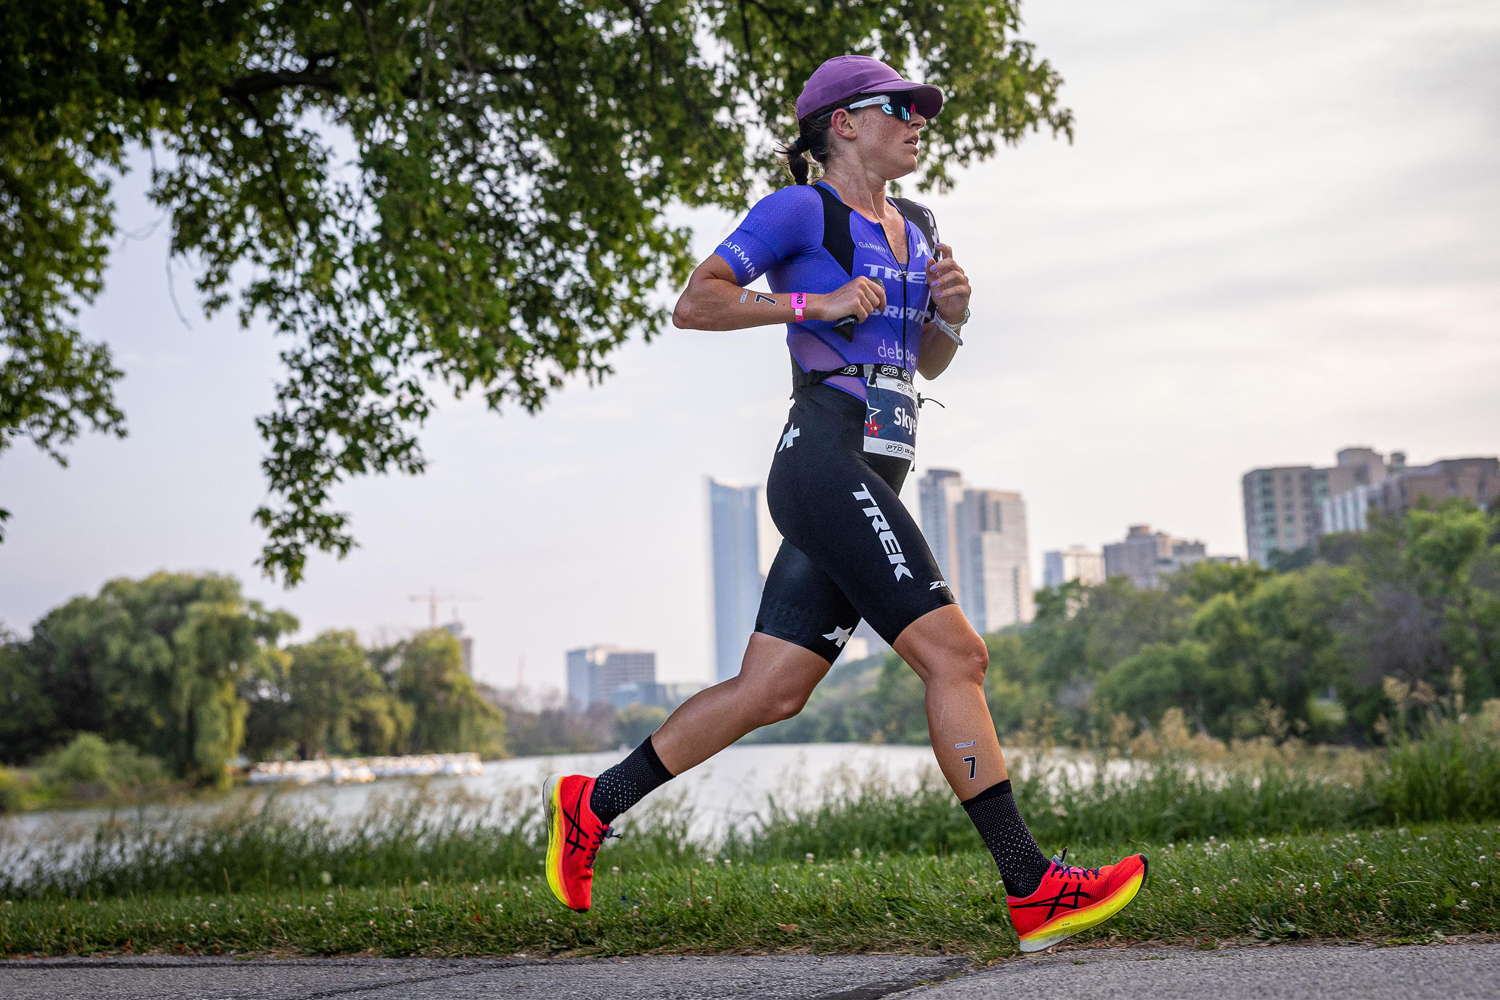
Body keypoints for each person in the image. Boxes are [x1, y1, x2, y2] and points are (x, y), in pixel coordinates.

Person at [544, 54, 1146, 953]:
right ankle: (1032, 887)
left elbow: (922, 365)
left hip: (878, 466)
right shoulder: (802, 211)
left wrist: (952, 316)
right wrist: (809, 303)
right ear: (843, 123)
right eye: (898, 106)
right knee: (959, 656)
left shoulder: (920, 225)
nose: (917, 119)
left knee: (772, 691)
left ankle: (595, 804)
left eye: (920, 108)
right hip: (821, 460)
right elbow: (694, 303)